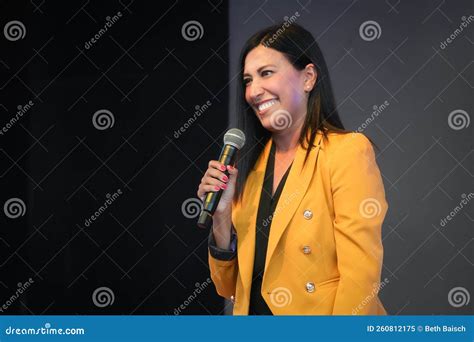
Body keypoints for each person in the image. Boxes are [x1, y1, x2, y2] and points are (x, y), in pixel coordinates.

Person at [197, 23, 388, 315]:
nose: (253, 91)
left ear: (308, 78)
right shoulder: (251, 167)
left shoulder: (347, 151)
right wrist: (221, 216)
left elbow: (360, 280)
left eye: (266, 73)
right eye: (248, 80)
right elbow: (229, 287)